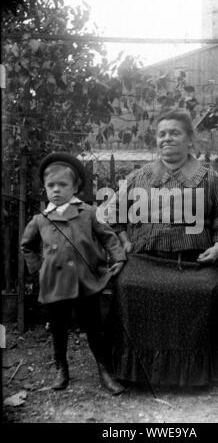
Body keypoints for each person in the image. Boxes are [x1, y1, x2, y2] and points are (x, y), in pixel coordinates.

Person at [101, 109, 218, 388]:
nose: (166, 139)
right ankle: (137, 372)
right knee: (127, 286)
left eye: (174, 133)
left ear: (190, 140)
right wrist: (125, 241)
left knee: (204, 294)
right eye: (162, 134)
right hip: (146, 262)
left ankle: (194, 376)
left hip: (195, 265)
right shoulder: (140, 177)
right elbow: (113, 213)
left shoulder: (210, 179)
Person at [21, 152, 126, 394]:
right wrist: (39, 269)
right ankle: (61, 368)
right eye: (51, 186)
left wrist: (118, 256)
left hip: (86, 281)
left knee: (93, 326)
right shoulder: (40, 219)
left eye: (62, 185)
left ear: (75, 186)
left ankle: (104, 370)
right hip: (55, 283)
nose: (56, 190)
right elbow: (26, 246)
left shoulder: (88, 213)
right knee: (58, 327)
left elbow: (108, 236)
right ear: (45, 188)